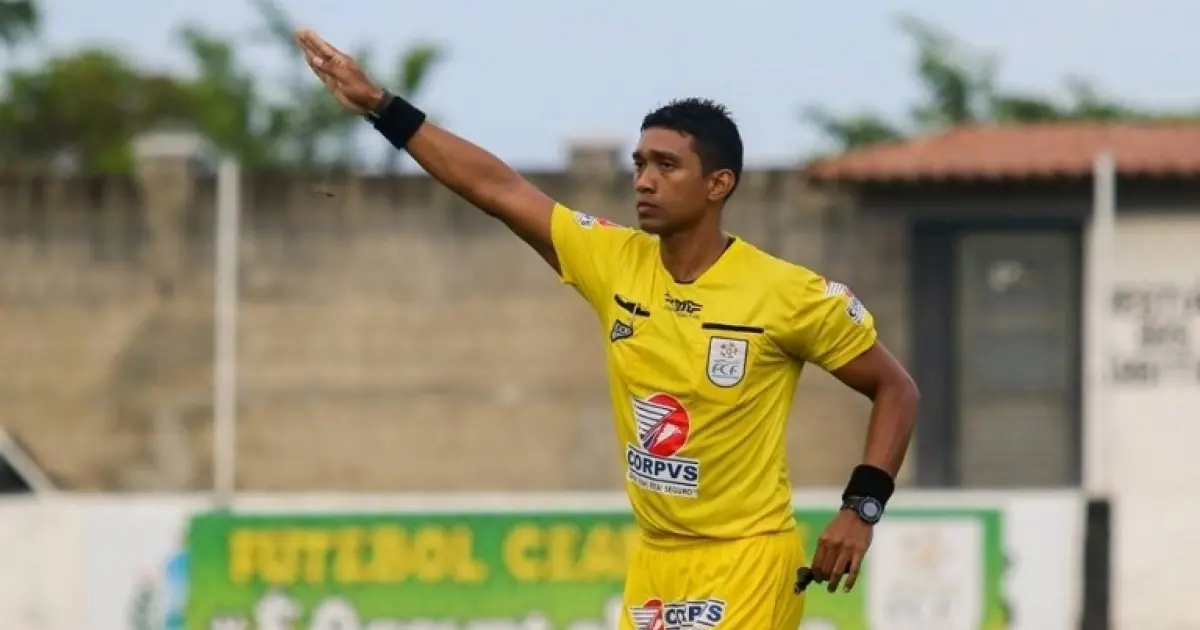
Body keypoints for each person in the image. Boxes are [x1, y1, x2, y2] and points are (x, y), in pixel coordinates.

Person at [295, 29, 920, 630]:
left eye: (667, 165)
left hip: (747, 560)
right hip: (655, 562)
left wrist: (860, 509)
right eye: (639, 163)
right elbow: (496, 187)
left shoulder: (787, 294)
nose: (644, 180)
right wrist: (381, 106)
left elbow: (896, 388)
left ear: (718, 184)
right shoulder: (614, 260)